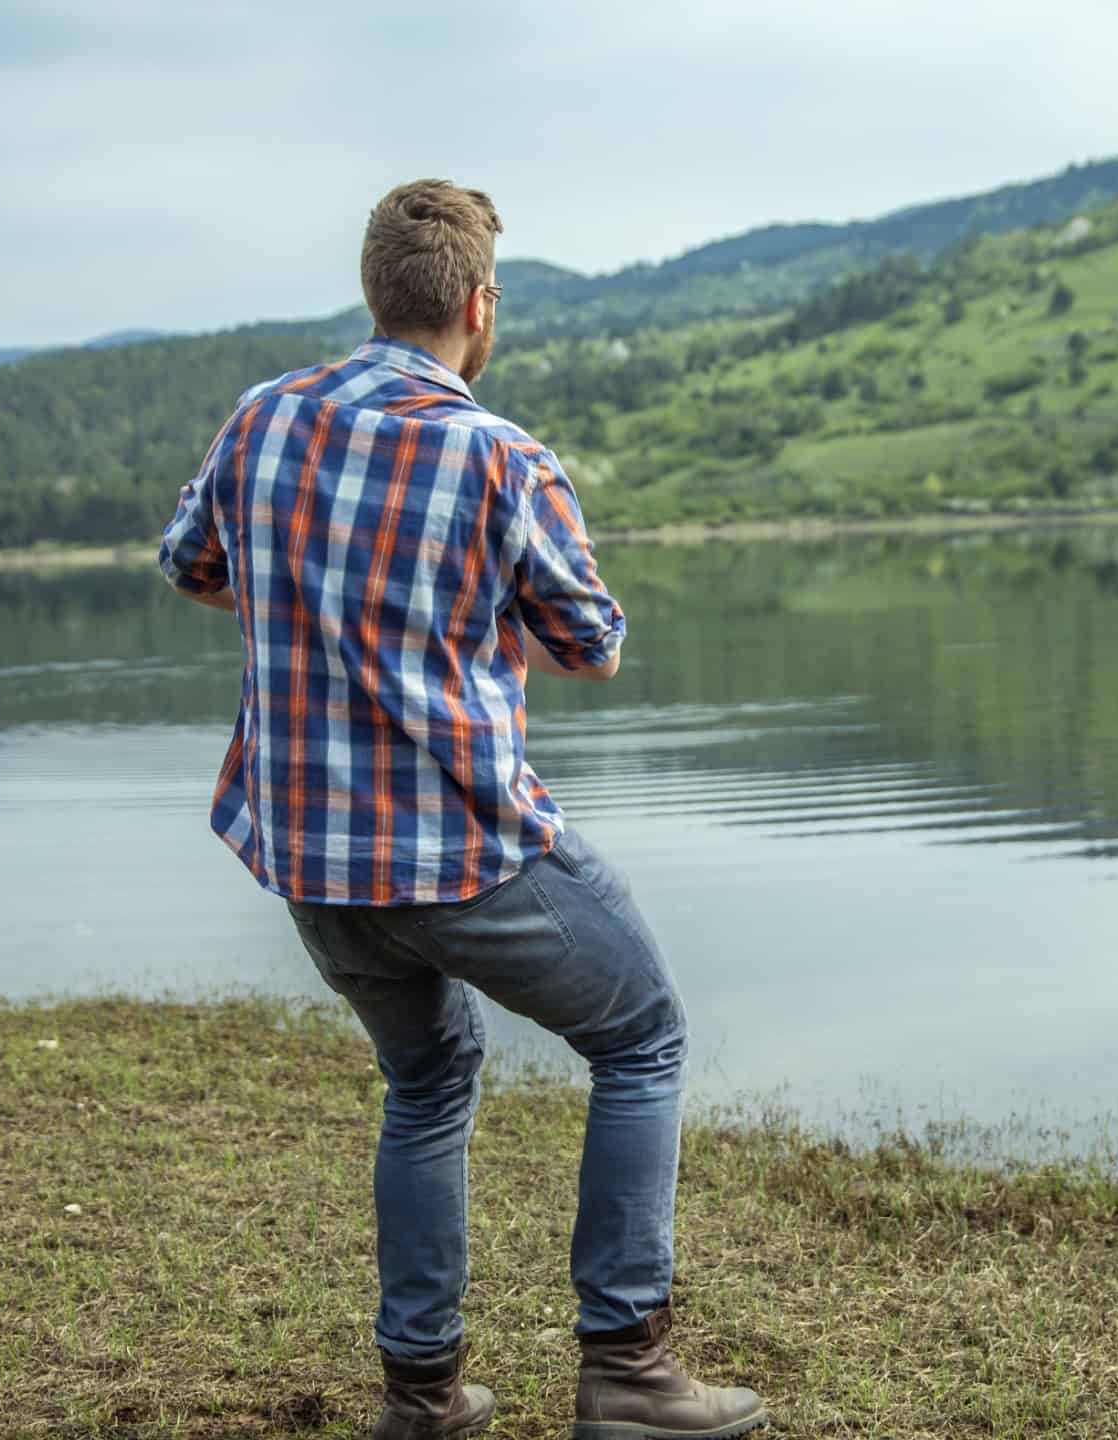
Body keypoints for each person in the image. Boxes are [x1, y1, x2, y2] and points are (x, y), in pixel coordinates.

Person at [156, 180, 767, 1440]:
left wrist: (312, 609)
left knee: (428, 1081)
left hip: (315, 861)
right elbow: (589, 644)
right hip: (463, 850)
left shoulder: (265, 418)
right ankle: (630, 1370)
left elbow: (194, 568)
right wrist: (470, 621)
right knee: (642, 1037)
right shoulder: (500, 457)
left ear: (377, 292)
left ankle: (424, 1395)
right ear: (480, 309)